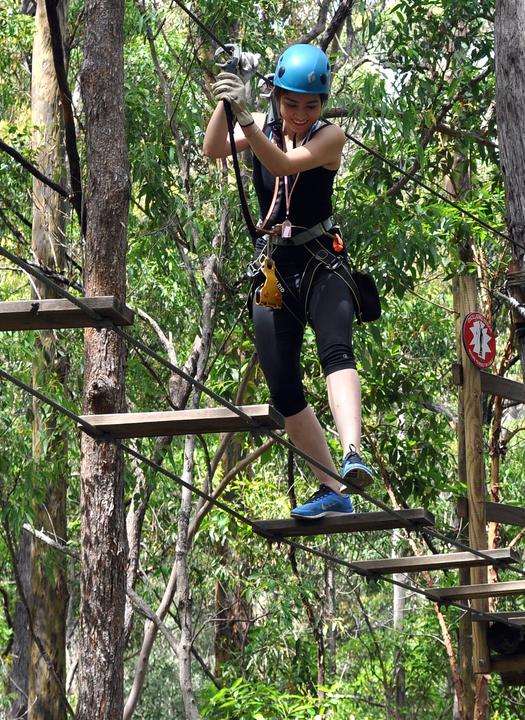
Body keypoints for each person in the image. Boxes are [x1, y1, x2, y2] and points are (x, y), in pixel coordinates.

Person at [203, 43, 374, 519]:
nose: (300, 114)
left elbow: (280, 164)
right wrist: (227, 97)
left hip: (322, 262)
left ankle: (352, 453)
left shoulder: (330, 137)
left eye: (311, 104)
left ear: (323, 105)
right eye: (291, 102)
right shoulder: (265, 123)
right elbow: (214, 148)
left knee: (336, 349)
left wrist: (247, 118)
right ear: (277, 96)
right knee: (282, 387)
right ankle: (330, 490)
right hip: (276, 267)